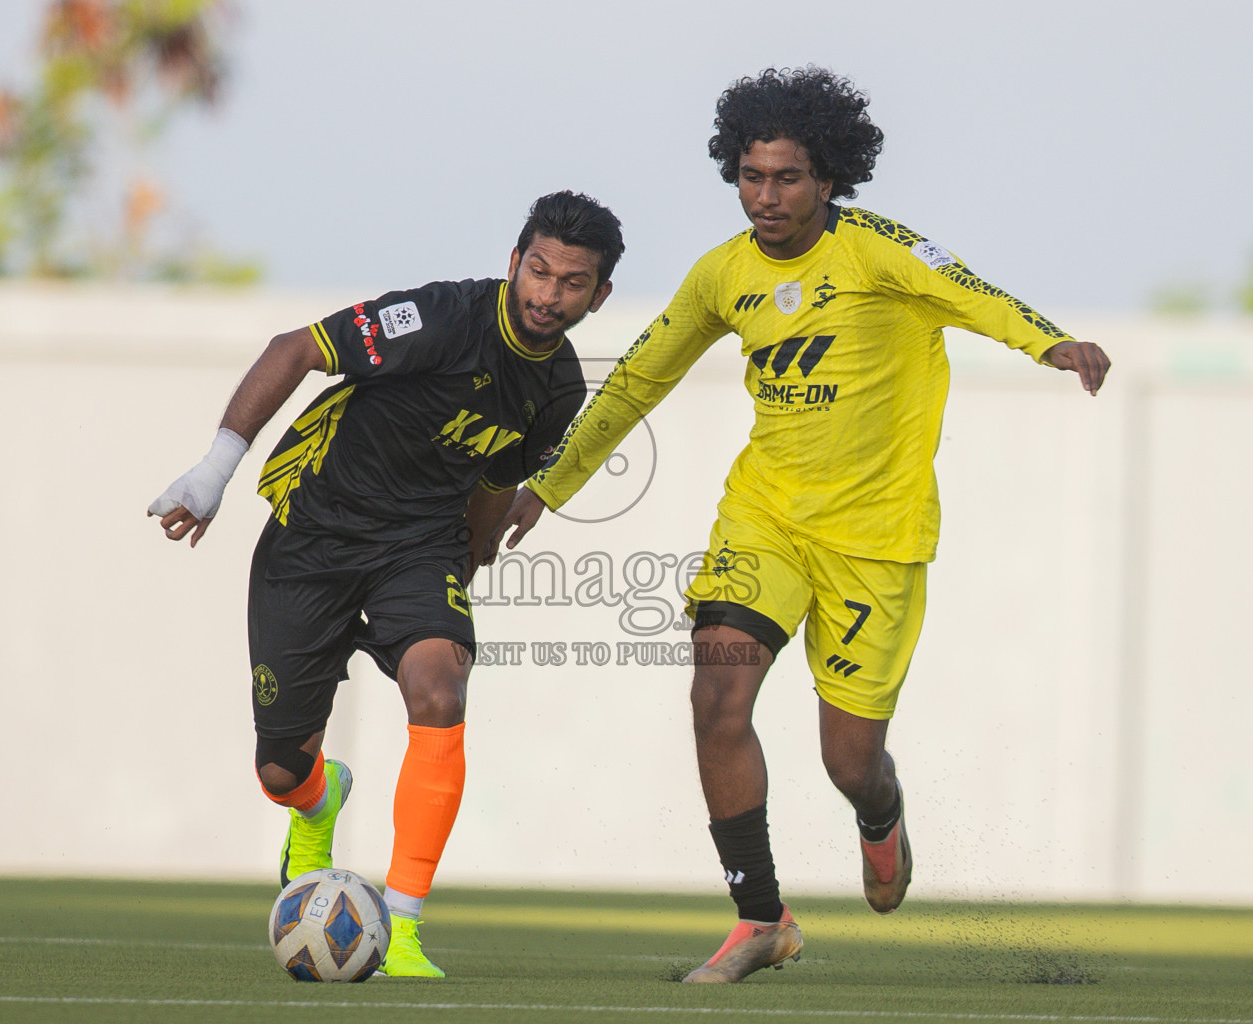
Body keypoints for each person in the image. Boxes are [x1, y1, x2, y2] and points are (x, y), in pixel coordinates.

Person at [491, 68, 1110, 983]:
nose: (765, 196)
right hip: (766, 519)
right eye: (750, 175)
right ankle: (760, 918)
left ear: (828, 179)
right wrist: (548, 484)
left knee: (848, 758)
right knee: (716, 693)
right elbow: (637, 381)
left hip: (876, 537)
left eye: (785, 178)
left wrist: (1049, 341)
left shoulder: (880, 252)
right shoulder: (723, 274)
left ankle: (879, 815)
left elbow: (972, 291)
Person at [149, 191, 621, 978]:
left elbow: (496, 478)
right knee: (279, 771)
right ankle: (317, 799)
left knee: (441, 687)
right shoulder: (440, 318)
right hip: (315, 532)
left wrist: (461, 576)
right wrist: (212, 473)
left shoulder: (558, 388)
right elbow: (294, 348)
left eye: (573, 282)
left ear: (598, 295)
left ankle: (400, 929)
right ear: (513, 264)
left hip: (420, 546)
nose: (549, 294)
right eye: (538, 271)